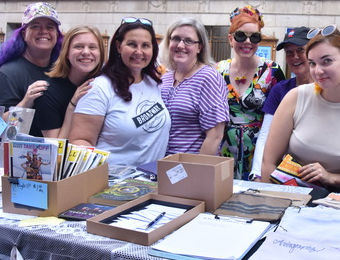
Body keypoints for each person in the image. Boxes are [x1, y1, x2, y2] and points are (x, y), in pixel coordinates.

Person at [261, 25, 340, 191]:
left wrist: (331, 177)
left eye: (327, 61)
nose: (318, 71)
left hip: (334, 204)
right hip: (288, 197)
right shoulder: (295, 98)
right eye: (312, 63)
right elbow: (268, 163)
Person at [69, 17, 171, 170]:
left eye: (145, 45)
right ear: (118, 46)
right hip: (114, 186)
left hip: (152, 182)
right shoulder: (99, 88)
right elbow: (80, 141)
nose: (139, 51)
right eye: (131, 44)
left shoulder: (153, 82)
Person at [216, 6, 285, 179]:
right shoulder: (217, 70)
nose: (247, 42)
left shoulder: (272, 71)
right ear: (231, 39)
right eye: (241, 36)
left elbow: (281, 117)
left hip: (259, 152)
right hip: (223, 149)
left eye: (254, 37)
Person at [0, 2, 63, 135]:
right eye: (35, 26)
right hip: (20, 154)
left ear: (57, 34)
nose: (44, 31)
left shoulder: (62, 69)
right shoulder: (8, 73)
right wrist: (26, 103)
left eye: (50, 27)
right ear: (23, 34)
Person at [249, 27, 312, 181]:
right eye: (289, 52)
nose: (294, 57)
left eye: (300, 50)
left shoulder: (327, 90)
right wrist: (257, 173)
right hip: (284, 173)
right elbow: (266, 133)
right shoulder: (280, 89)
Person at [159, 17, 229, 155]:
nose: (180, 45)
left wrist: (196, 171)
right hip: (159, 166)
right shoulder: (165, 78)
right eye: (175, 39)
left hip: (189, 167)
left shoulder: (208, 78)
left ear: (200, 47)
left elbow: (215, 136)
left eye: (188, 41)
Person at [31, 26, 105, 139]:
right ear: (67, 53)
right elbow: (56, 145)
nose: (86, 52)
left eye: (92, 47)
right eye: (78, 46)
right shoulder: (47, 93)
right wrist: (72, 106)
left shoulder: (106, 86)